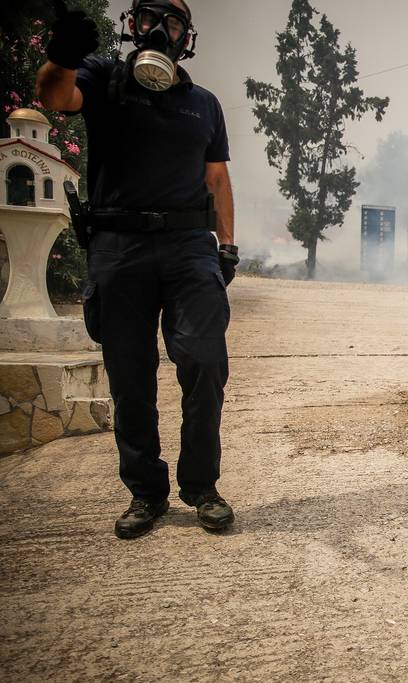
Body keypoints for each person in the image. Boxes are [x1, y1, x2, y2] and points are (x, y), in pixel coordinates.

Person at [37, 0, 239, 539]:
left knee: (204, 359)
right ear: (133, 24)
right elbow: (55, 96)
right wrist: (61, 56)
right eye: (150, 18)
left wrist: (228, 246)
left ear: (186, 36)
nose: (160, 30)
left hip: (189, 247)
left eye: (173, 22)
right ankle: (145, 493)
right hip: (119, 248)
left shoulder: (204, 104)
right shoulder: (104, 79)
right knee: (129, 373)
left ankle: (201, 486)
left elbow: (216, 178)